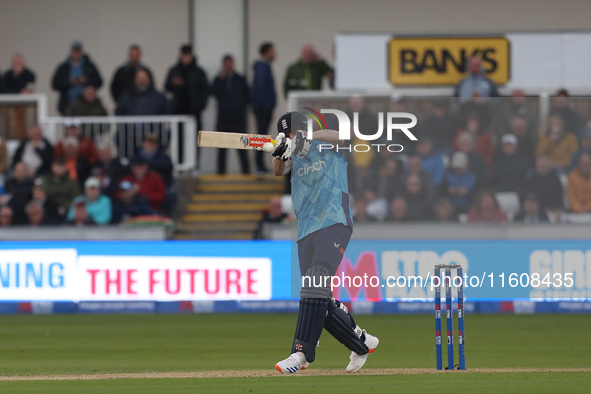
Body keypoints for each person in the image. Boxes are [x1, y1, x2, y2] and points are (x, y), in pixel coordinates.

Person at [271, 112, 378, 375]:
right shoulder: (292, 153)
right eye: (289, 134)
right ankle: (362, 342)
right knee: (317, 295)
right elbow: (278, 171)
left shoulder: (327, 144)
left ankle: (301, 353)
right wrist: (280, 151)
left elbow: (344, 135)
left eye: (297, 131)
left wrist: (304, 139)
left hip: (334, 221)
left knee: (315, 283)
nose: (293, 137)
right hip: (306, 227)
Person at [212, 54, 250, 174]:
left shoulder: (240, 79)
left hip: (238, 119)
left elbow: (246, 96)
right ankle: (221, 174)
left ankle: (246, 173)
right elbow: (213, 92)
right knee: (222, 150)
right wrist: (220, 78)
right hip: (223, 119)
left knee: (242, 149)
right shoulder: (219, 80)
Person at [164, 44, 209, 131]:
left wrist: (199, 107)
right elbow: (166, 86)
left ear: (192, 56)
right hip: (178, 111)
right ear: (180, 56)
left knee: (195, 138)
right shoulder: (174, 70)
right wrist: (173, 84)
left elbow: (205, 91)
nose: (186, 58)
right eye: (184, 55)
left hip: (194, 112)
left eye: (188, 55)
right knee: (178, 139)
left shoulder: (199, 72)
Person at [51, 41, 103, 115]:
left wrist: (86, 81)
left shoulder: (90, 66)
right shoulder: (63, 67)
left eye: (78, 51)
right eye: (74, 51)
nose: (76, 54)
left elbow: (99, 82)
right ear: (71, 52)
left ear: (81, 52)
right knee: (70, 125)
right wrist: (69, 82)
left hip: (87, 107)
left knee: (86, 125)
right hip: (68, 104)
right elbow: (55, 84)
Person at [251, 42, 277, 173]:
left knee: (262, 136)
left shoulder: (265, 67)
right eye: (272, 51)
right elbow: (261, 89)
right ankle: (259, 166)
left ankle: (260, 165)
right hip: (263, 109)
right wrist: (265, 105)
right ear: (266, 52)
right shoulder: (262, 69)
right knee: (260, 137)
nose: (275, 53)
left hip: (264, 108)